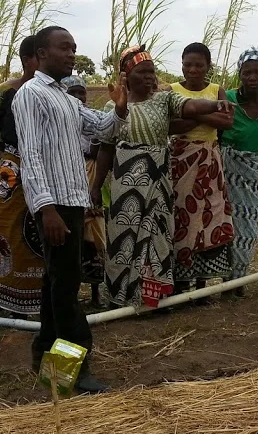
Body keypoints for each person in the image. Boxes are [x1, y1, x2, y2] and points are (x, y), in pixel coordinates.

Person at [12, 26, 129, 394]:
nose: (72, 53)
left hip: (72, 201)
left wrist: (120, 106)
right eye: (64, 47)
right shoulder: (31, 95)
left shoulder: (64, 95)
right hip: (55, 204)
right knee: (66, 290)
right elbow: (29, 154)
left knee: (56, 284)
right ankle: (76, 368)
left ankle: (45, 354)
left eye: (74, 48)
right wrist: (46, 209)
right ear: (42, 54)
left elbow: (101, 126)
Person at [91, 45, 233, 311]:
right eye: (142, 72)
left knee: (158, 236)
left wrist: (216, 103)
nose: (149, 76)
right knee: (124, 237)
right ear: (126, 75)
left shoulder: (164, 100)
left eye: (152, 71)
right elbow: (106, 148)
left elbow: (190, 105)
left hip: (158, 182)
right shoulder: (114, 106)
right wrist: (97, 185)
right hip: (125, 184)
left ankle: (154, 299)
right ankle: (121, 298)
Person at [169, 43, 235, 295]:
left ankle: (202, 285)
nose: (193, 70)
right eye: (188, 65)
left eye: (199, 65)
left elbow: (227, 121)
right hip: (180, 161)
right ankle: (182, 283)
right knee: (182, 218)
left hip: (209, 162)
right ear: (182, 64)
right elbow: (171, 126)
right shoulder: (172, 90)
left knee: (210, 217)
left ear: (208, 66)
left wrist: (193, 113)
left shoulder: (217, 90)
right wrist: (208, 112)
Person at [0, 36, 46, 316]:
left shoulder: (53, 91)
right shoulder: (3, 92)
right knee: (10, 231)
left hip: (47, 167)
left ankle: (40, 298)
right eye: (39, 57)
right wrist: (18, 156)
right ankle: (11, 300)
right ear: (27, 60)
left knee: (41, 230)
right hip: (13, 169)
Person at [223, 47, 258, 294]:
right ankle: (223, 281)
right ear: (239, 73)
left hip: (255, 173)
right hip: (228, 172)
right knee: (226, 227)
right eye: (247, 72)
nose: (252, 77)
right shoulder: (228, 98)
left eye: (257, 72)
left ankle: (238, 280)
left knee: (248, 229)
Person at [62, 74, 105, 305]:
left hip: (90, 174)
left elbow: (98, 152)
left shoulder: (93, 118)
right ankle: (73, 293)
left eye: (82, 92)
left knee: (95, 232)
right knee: (74, 233)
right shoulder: (60, 119)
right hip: (69, 173)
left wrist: (97, 135)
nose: (79, 97)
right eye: (73, 92)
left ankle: (97, 294)